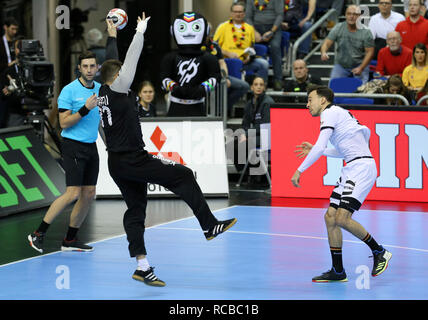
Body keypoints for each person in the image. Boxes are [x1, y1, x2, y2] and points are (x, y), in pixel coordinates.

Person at [98, 13, 237, 287]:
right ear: (118, 77)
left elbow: (111, 62)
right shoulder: (118, 87)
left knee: (136, 211)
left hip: (116, 162)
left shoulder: (104, 89)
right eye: (123, 73)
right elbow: (130, 60)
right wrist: (139, 32)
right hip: (133, 158)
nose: (129, 75)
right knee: (183, 174)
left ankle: (142, 266)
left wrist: (112, 35)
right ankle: (209, 225)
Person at [291, 85, 392, 282]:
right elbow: (341, 151)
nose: (307, 104)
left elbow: (321, 146)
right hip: (351, 167)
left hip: (361, 168)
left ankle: (380, 251)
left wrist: (299, 170)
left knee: (342, 218)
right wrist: (318, 149)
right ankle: (338, 271)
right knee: (330, 217)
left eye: (310, 99)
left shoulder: (330, 113)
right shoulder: (338, 115)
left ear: (322, 100)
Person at [27, 51, 101, 254]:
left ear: (97, 68)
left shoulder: (100, 90)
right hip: (73, 145)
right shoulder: (69, 91)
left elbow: (100, 120)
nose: (88, 70)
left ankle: (70, 239)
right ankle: (38, 234)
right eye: (85, 66)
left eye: (92, 66)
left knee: (89, 194)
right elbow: (63, 123)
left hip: (91, 146)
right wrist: (85, 108)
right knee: (72, 193)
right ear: (79, 68)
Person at [160, 12, 220, 117]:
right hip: (175, 104)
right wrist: (174, 87)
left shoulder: (208, 58)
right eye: (182, 27)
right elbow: (163, 78)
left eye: (196, 27)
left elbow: (216, 78)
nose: (188, 32)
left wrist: (203, 88)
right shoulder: (170, 58)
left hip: (198, 105)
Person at [214, 1, 269, 83]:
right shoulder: (222, 27)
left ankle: (258, 89)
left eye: (240, 12)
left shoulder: (249, 28)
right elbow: (214, 46)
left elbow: (252, 47)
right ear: (231, 14)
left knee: (264, 64)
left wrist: (249, 57)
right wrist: (228, 53)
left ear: (244, 14)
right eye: (235, 12)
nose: (238, 14)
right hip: (228, 61)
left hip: (245, 62)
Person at [321, 5, 374, 84]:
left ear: (359, 16)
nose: (351, 16)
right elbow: (327, 43)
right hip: (341, 65)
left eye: (355, 14)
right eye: (349, 14)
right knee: (333, 87)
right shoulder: (338, 27)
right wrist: (324, 52)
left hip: (360, 64)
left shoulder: (366, 32)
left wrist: (361, 68)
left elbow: (370, 52)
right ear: (345, 15)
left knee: (362, 90)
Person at [202, 29, 250, 117]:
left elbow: (222, 62)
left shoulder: (215, 46)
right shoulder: (194, 47)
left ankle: (223, 108)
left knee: (244, 86)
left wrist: (225, 77)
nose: (206, 35)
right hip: (202, 78)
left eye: (207, 33)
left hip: (218, 75)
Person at [246, 0, 284, 90]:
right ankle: (252, 80)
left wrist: (272, 31)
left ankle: (278, 80)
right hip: (255, 27)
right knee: (247, 47)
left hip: (273, 27)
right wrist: (254, 32)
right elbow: (247, 17)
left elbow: (280, 15)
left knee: (275, 47)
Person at [0, 17, 19, 128]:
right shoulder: (1, 43)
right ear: (5, 27)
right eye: (12, 29)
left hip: (14, 80)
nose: (14, 32)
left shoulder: (16, 44)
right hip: (2, 80)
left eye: (16, 29)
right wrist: (11, 63)